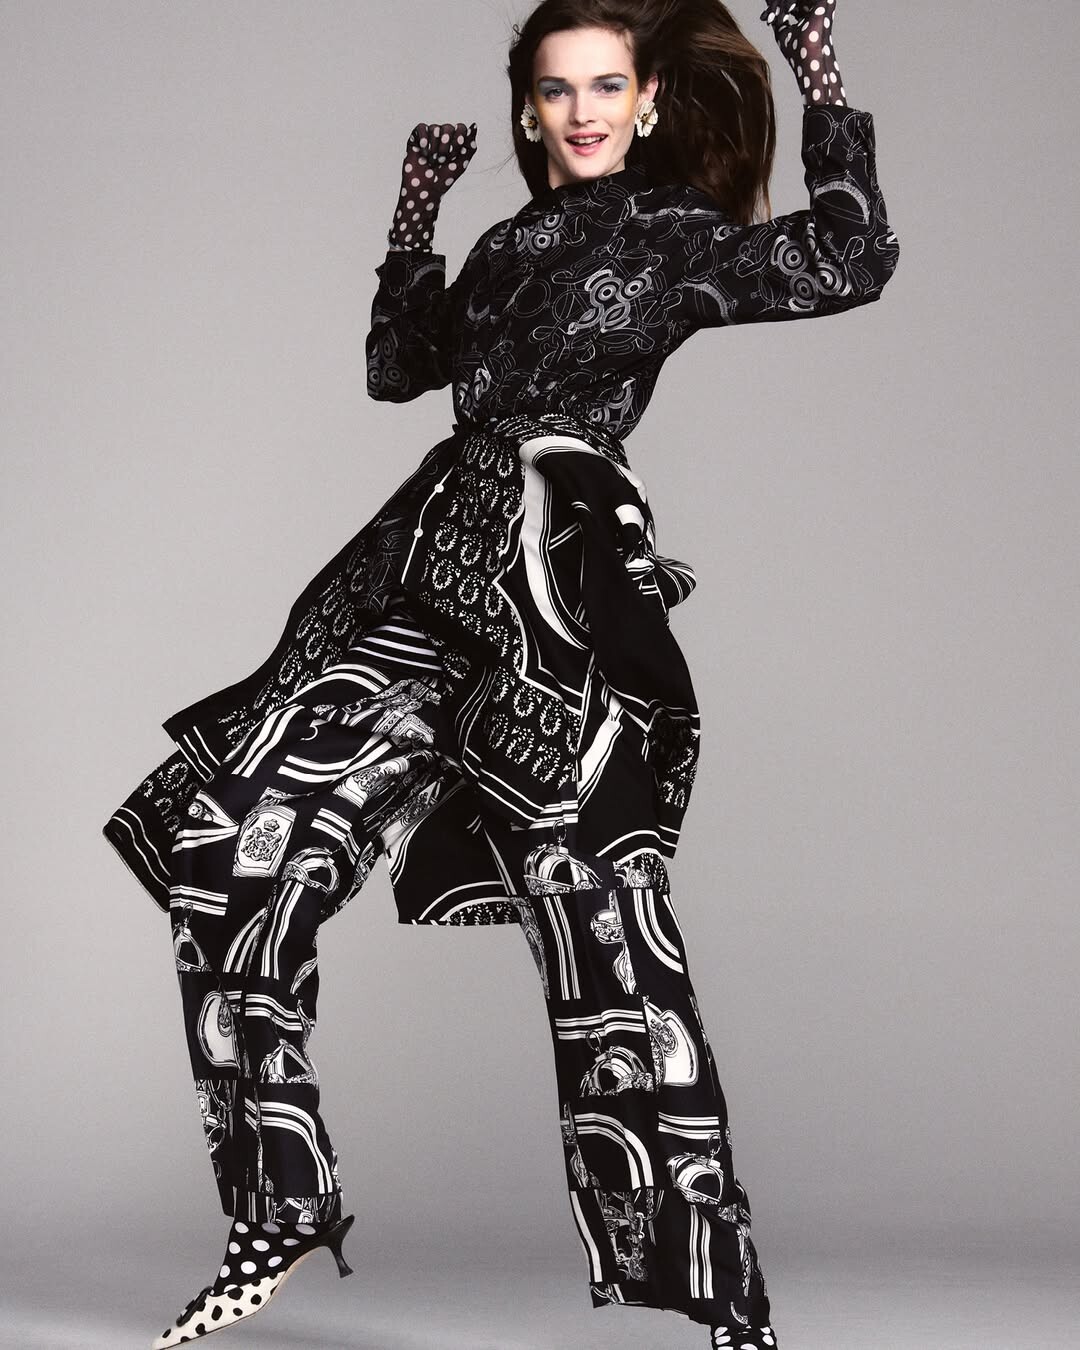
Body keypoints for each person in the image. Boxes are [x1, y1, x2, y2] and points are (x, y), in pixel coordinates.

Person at [104, 1, 898, 1346]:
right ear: (529, 110)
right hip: (417, 577)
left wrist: (818, 67)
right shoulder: (501, 245)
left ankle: (726, 1301)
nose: (583, 111)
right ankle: (278, 1203)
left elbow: (850, 256)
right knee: (225, 844)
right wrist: (416, 209)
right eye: (557, 89)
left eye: (606, 86)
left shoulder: (675, 233)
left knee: (608, 930)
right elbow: (394, 369)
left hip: (552, 594)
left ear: (648, 102)